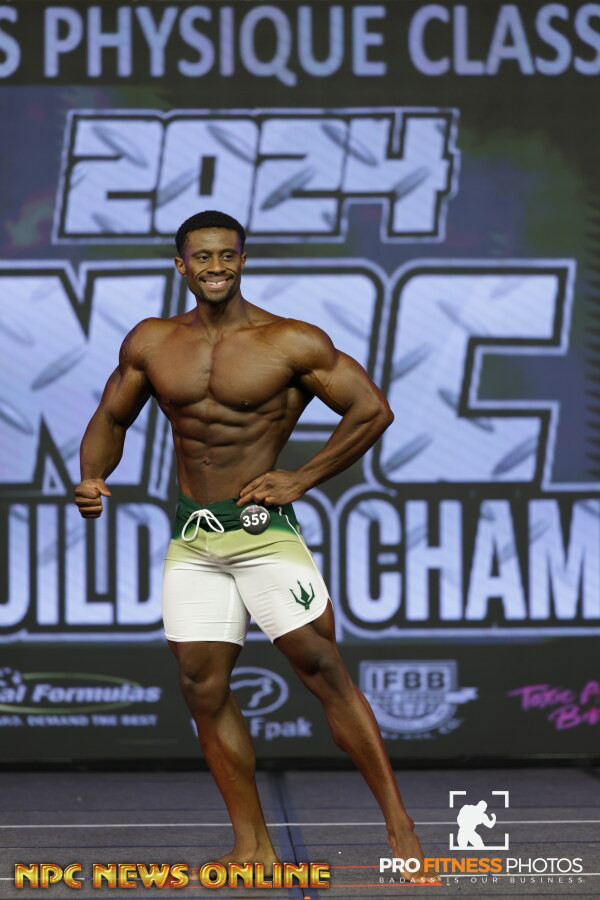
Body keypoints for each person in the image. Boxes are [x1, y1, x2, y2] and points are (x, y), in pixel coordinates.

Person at [74, 209, 435, 882]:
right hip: (194, 536)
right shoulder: (153, 341)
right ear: (181, 265)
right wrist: (93, 474)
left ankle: (399, 824)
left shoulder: (290, 341)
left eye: (227, 255)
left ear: (243, 260)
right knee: (201, 685)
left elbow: (372, 409)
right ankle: (253, 847)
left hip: (261, 533)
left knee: (321, 667)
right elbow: (111, 416)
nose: (215, 267)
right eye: (202, 257)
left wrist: (301, 478)